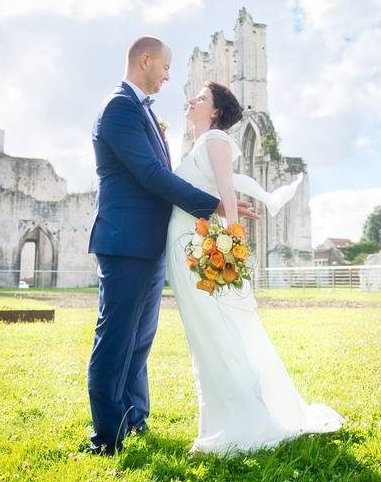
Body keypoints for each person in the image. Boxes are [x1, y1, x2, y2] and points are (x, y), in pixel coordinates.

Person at [86, 36, 257, 455]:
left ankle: (135, 418)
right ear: (145, 60)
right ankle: (107, 436)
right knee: (115, 339)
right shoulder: (119, 107)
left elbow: (161, 172)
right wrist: (212, 205)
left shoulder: (141, 111)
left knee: (139, 341)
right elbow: (150, 175)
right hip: (125, 241)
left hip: (148, 244)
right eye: (164, 67)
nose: (167, 75)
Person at [165, 81, 343, 455]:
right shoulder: (199, 143)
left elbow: (228, 191)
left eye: (201, 98)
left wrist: (231, 237)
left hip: (196, 242)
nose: (191, 100)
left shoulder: (215, 139)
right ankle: (221, 418)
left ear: (214, 111)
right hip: (184, 239)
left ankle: (243, 423)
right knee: (204, 334)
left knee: (215, 331)